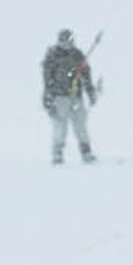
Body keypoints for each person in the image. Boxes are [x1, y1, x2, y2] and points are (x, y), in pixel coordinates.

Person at [42, 29, 98, 165]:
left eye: (69, 41)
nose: (66, 44)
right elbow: (47, 78)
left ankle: (86, 151)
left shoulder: (77, 55)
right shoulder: (53, 55)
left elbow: (86, 74)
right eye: (63, 41)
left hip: (76, 96)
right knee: (60, 126)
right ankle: (57, 153)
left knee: (80, 126)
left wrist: (90, 91)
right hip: (59, 97)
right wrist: (48, 97)